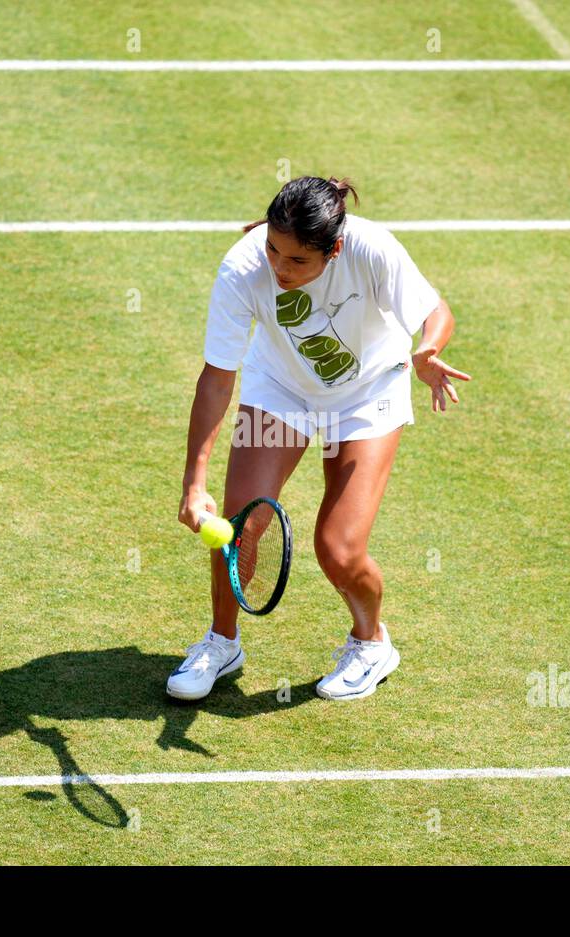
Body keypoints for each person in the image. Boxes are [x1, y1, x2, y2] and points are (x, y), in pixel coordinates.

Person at [171, 176, 470, 702]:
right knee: (237, 526)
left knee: (339, 549)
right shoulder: (242, 268)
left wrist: (427, 350)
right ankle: (222, 641)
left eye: (297, 262)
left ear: (334, 249)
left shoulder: (372, 249)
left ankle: (371, 642)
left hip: (369, 394)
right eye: (273, 250)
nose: (280, 270)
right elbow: (217, 378)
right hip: (281, 388)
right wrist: (194, 485)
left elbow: (434, 312)